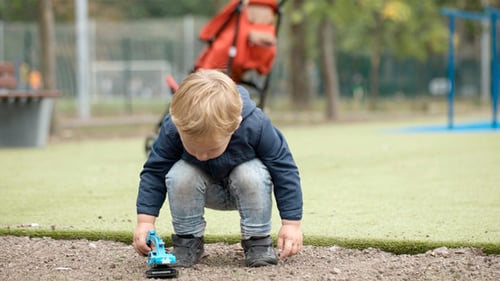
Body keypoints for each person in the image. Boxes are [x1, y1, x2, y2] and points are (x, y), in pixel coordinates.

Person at [133, 69, 303, 268]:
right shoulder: (174, 128)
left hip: (247, 191)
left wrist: (291, 224)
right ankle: (188, 242)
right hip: (201, 191)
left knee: (251, 172)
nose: (202, 155)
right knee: (180, 172)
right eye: (193, 148)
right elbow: (154, 172)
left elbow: (284, 169)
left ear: (235, 125)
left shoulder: (255, 125)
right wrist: (145, 222)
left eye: (211, 149)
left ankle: (257, 242)